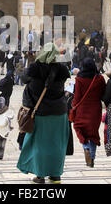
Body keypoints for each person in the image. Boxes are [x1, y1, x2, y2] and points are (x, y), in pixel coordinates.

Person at [17, 43, 70, 184]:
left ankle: (40, 175)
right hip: (59, 113)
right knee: (57, 144)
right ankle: (55, 175)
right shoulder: (61, 69)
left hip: (41, 113)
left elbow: (24, 79)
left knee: (39, 144)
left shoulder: (35, 69)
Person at [72, 58, 106, 168]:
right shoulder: (100, 78)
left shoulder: (79, 79)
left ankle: (86, 147)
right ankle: (92, 158)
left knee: (80, 129)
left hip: (82, 109)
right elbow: (103, 94)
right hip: (95, 110)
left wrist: (73, 106)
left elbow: (77, 97)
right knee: (93, 133)